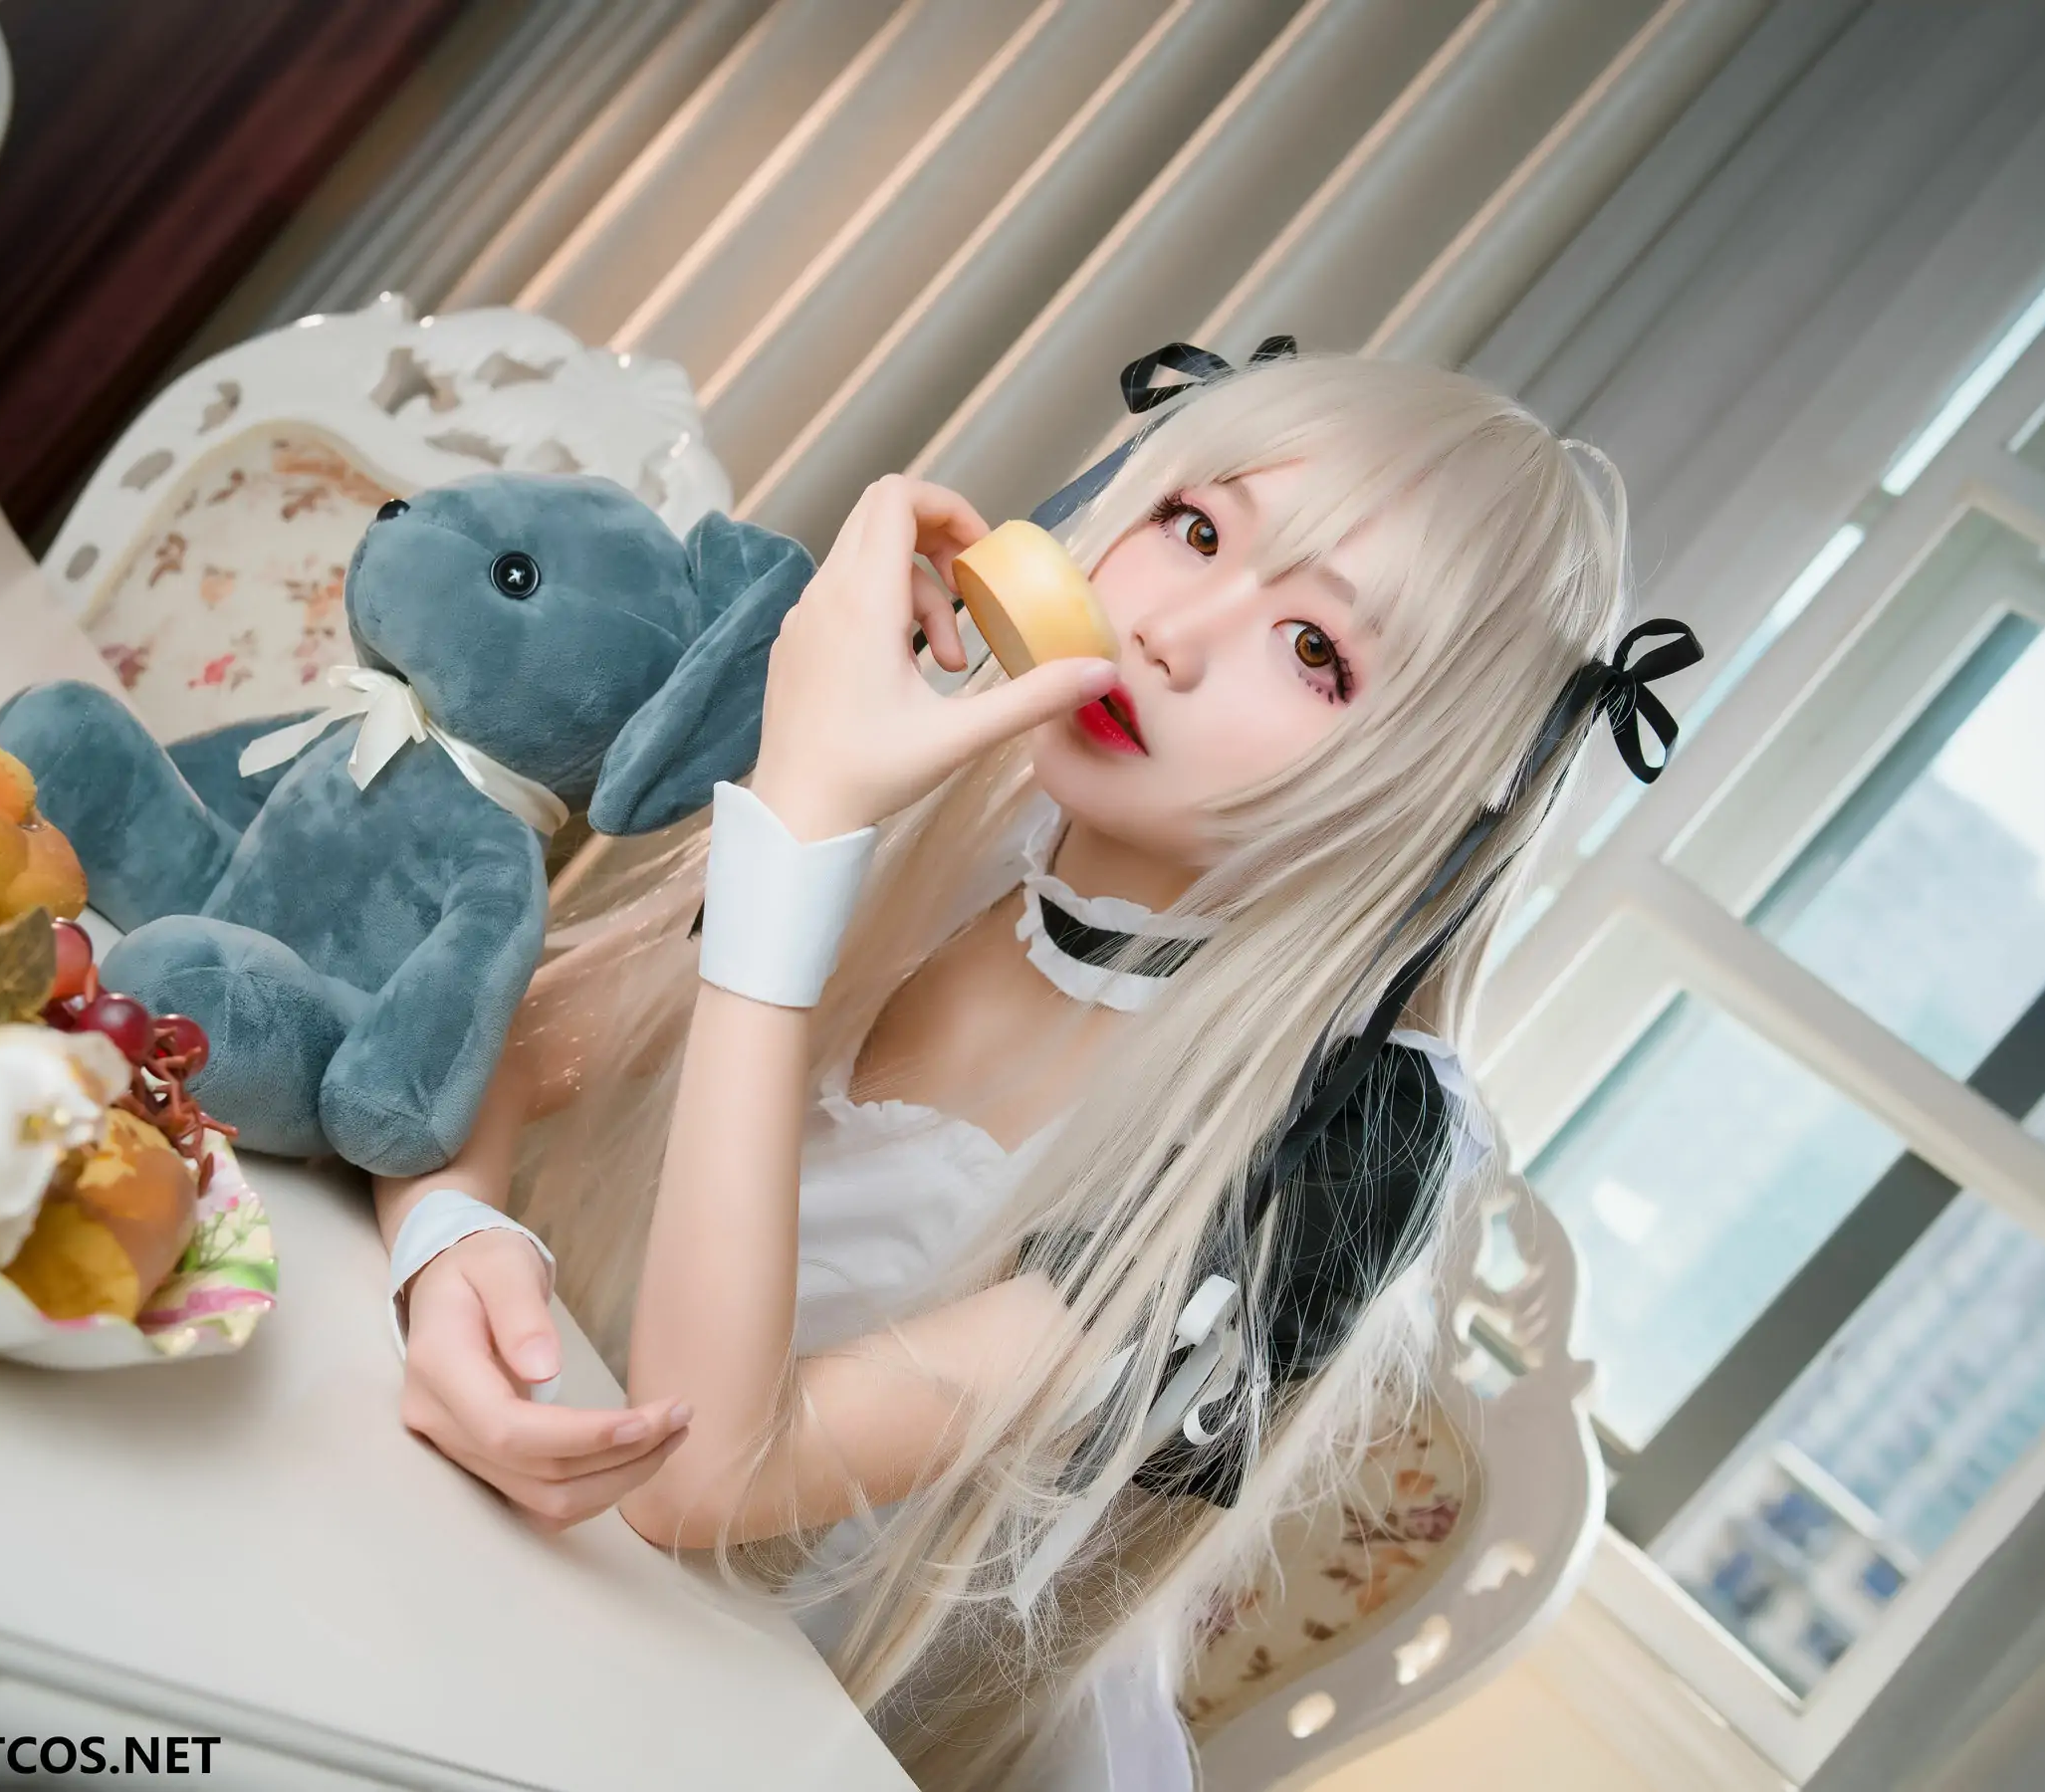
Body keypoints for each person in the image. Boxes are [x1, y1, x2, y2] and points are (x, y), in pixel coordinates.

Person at [371, 351, 1670, 1790]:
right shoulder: (971, 819)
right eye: (1194, 527)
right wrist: (452, 1235)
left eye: (1315, 650)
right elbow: (482, 1047)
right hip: (530, 1597)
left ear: (1438, 771)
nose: (1167, 633)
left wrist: (802, 823)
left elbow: (706, 1478)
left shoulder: (1348, 1141)